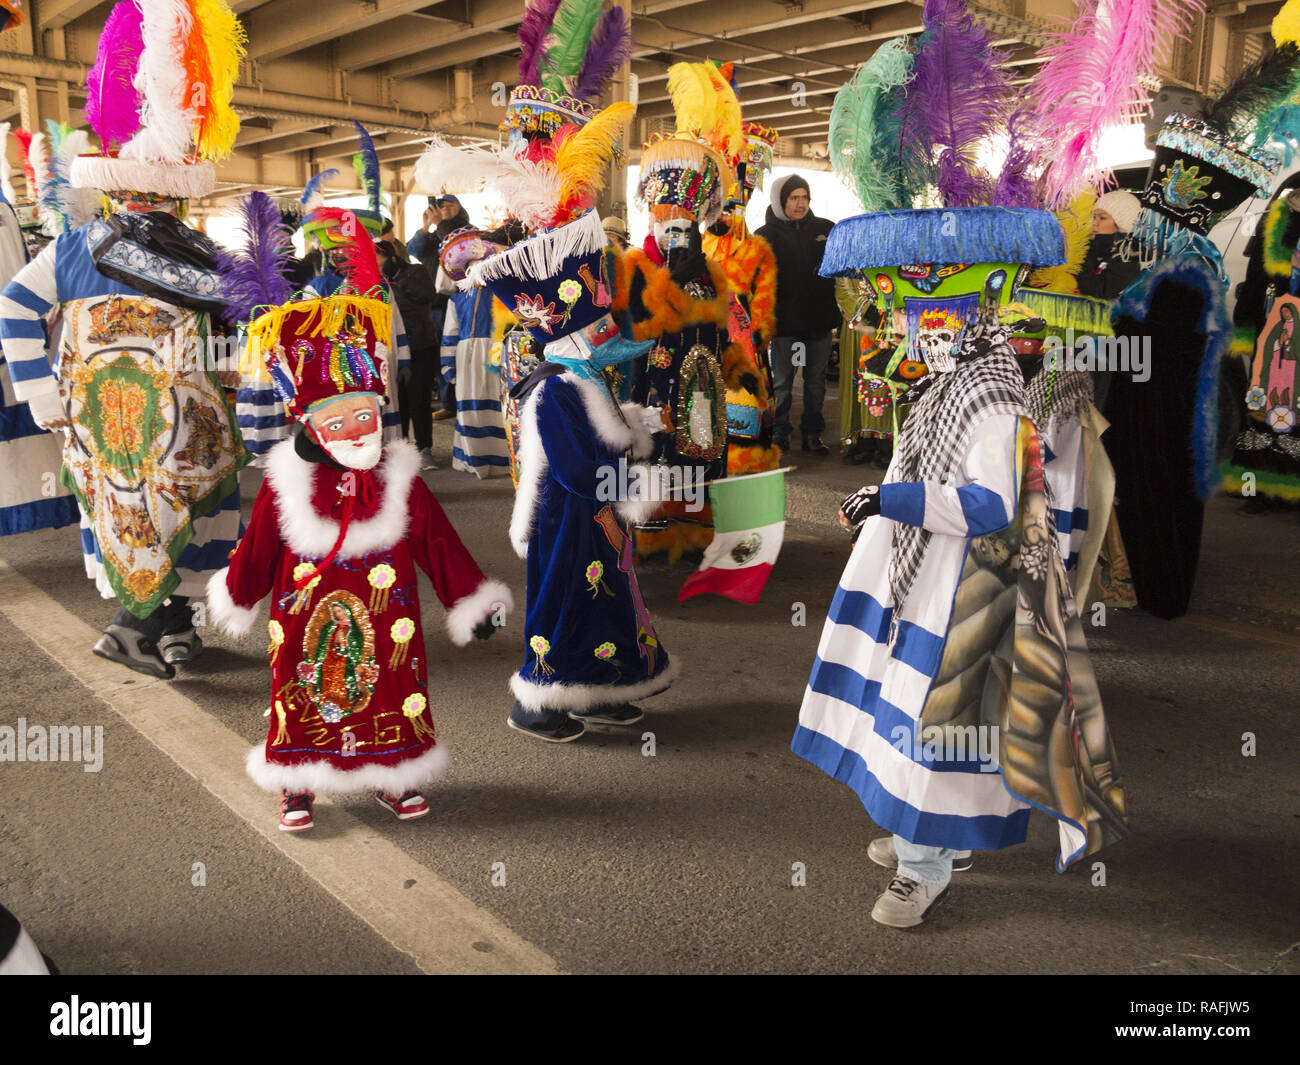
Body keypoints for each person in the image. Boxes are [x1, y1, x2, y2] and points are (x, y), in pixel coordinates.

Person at [796, 206, 1127, 928]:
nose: (914, 334)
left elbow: (990, 504)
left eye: (928, 321)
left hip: (965, 587)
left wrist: (892, 498)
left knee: (930, 718)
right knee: (903, 710)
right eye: (912, 321)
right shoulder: (958, 375)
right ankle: (927, 836)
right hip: (924, 574)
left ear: (967, 319)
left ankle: (926, 865)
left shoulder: (994, 398)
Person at [208, 209, 510, 831]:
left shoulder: (399, 475)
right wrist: (238, 594)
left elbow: (438, 540)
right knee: (298, 685)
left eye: (365, 417)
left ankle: (394, 773)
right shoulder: (286, 480)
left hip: (389, 612)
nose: (356, 430)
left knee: (395, 690)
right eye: (338, 422)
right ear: (311, 425)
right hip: (302, 614)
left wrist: (470, 600)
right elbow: (261, 542)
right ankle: (297, 780)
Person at [0, 0, 249, 680]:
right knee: (146, 526)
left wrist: (230, 387)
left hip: (170, 429)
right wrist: (44, 397)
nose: (153, 205)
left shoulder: (187, 252)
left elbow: (228, 330)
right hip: (121, 429)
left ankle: (171, 630)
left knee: (173, 527)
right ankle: (136, 628)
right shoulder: (93, 245)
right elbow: (15, 305)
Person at [755, 173, 840, 455]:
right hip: (786, 327)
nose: (800, 203)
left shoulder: (826, 229)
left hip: (818, 325)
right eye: (794, 198)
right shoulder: (765, 236)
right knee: (783, 384)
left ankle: (812, 435)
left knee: (816, 384)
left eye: (804, 197)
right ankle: (779, 434)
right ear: (781, 201)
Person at [374, 237, 439, 470]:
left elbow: (427, 295)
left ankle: (425, 449)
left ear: (391, 258)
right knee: (396, 400)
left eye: (379, 260)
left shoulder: (415, 272)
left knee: (419, 400)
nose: (376, 265)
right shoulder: (374, 284)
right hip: (393, 351)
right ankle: (400, 447)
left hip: (421, 345)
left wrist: (395, 283)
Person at [409, 194, 471, 423]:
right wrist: (425, 227)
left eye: (449, 205)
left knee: (457, 351)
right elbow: (413, 249)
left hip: (458, 301)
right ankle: (447, 403)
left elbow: (457, 243)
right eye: (440, 206)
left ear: (460, 207)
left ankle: (462, 399)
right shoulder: (434, 235)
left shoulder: (466, 231)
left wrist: (438, 224)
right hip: (433, 304)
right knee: (438, 354)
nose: (443, 209)